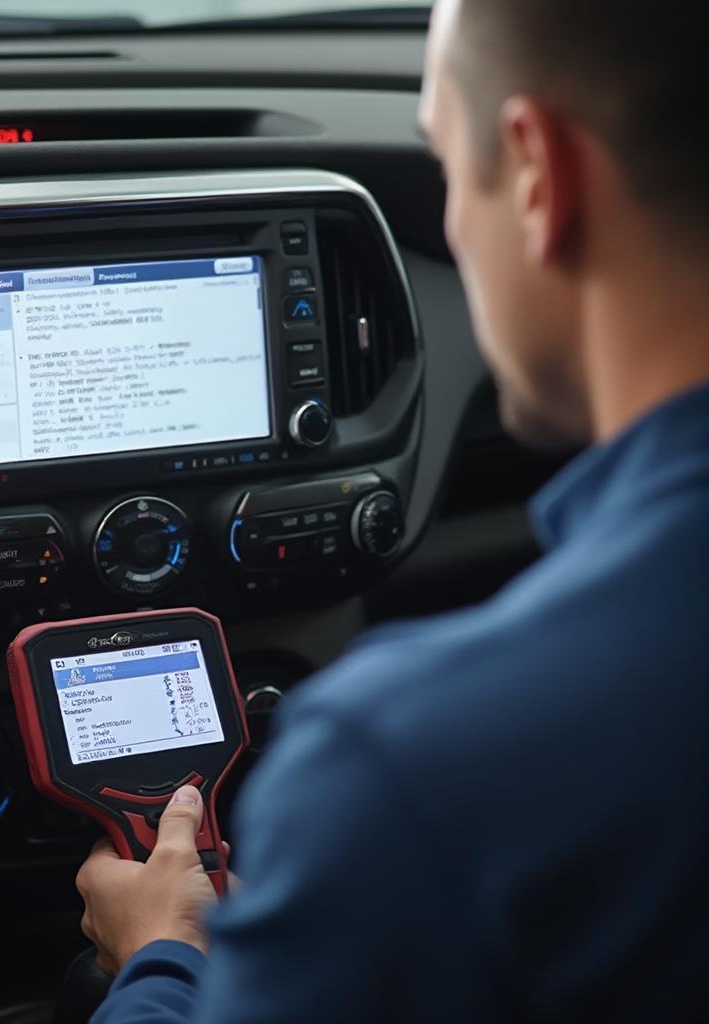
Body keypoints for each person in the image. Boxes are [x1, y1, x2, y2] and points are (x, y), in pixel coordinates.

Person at [74, 0, 709, 1019]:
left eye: (447, 170)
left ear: (537, 175)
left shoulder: (404, 774)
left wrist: (160, 953)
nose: (453, 225)